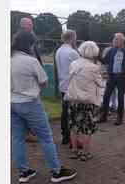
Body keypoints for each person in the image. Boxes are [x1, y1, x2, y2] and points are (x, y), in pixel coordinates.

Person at [11, 31, 77, 183]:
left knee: (17, 139)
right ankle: (56, 171)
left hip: (11, 103)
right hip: (30, 102)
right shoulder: (31, 61)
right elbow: (44, 81)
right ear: (29, 44)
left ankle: (24, 171)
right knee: (46, 137)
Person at [64, 41, 104, 161]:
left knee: (73, 127)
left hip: (73, 100)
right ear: (94, 52)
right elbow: (100, 83)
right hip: (87, 102)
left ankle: (74, 151)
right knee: (87, 128)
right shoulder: (94, 68)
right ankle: (85, 154)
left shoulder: (73, 64)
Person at [99, 33, 125, 125]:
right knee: (106, 96)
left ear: (121, 41)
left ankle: (119, 117)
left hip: (122, 77)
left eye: (116, 39)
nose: (114, 41)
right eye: (114, 39)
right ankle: (104, 116)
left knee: (120, 97)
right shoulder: (111, 51)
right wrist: (96, 54)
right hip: (112, 76)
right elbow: (104, 60)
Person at [55, 30, 80, 145]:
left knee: (65, 111)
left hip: (62, 84)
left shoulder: (59, 50)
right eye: (75, 38)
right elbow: (80, 69)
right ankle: (73, 139)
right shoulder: (72, 52)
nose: (76, 40)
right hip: (72, 86)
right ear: (71, 38)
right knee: (74, 113)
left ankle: (65, 136)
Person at [102, 43, 118, 113]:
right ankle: (111, 106)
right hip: (110, 73)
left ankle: (112, 106)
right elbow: (104, 62)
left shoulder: (118, 51)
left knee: (112, 90)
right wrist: (105, 72)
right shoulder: (108, 50)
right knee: (110, 91)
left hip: (115, 74)